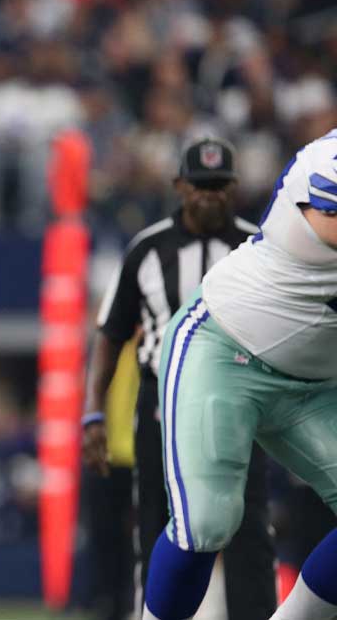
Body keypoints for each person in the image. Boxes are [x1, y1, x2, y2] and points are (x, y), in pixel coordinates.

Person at [140, 130, 337, 620]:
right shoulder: (328, 159)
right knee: (206, 521)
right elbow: (327, 221)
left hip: (316, 384)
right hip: (225, 348)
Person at [82, 139, 274, 618]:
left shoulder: (260, 246)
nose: (209, 196)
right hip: (162, 396)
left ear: (234, 188)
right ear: (179, 187)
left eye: (219, 186)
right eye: (200, 186)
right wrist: (93, 412)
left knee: (249, 520)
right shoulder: (148, 248)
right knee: (156, 517)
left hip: (239, 394)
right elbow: (110, 334)